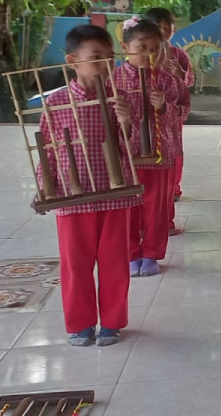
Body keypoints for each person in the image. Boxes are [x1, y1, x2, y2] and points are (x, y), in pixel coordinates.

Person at [42, 26, 141, 347]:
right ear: (73, 60)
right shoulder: (56, 102)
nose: (103, 65)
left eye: (109, 58)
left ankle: (111, 322)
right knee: (75, 263)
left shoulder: (119, 98)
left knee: (114, 261)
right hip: (74, 197)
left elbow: (135, 147)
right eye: (95, 58)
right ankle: (80, 324)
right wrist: (48, 186)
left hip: (115, 193)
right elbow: (48, 149)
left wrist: (126, 122)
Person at [115, 18, 182, 279]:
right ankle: (131, 254)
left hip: (159, 154)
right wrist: (122, 118)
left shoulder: (166, 80)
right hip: (126, 157)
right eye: (141, 47)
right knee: (128, 208)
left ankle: (151, 254)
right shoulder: (114, 80)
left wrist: (163, 107)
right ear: (125, 47)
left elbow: (178, 115)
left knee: (156, 208)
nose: (148, 55)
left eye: (155, 49)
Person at [142, 8, 193, 235]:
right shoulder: (136, 58)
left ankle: (173, 190)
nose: (163, 31)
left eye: (167, 26)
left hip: (170, 123)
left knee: (172, 158)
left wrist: (180, 75)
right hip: (141, 127)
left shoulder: (179, 55)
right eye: (158, 26)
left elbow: (186, 87)